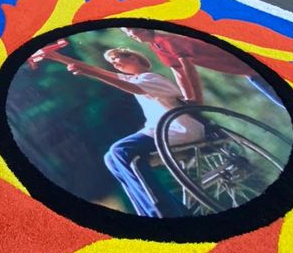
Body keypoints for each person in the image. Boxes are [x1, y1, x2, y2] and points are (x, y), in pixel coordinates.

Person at [67, 48, 204, 218]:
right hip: (160, 130)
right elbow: (98, 71)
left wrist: (90, 73)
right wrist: (53, 55)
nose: (114, 64)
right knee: (110, 159)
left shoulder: (151, 78)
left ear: (133, 57)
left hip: (179, 128)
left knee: (120, 151)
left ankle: (162, 213)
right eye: (112, 63)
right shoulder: (137, 79)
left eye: (116, 58)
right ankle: (163, 212)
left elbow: (134, 88)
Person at [121, 28, 284, 107]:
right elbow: (178, 72)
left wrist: (196, 100)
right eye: (130, 35)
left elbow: (189, 70)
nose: (134, 36)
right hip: (249, 73)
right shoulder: (157, 47)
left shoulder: (168, 41)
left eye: (135, 32)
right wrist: (187, 97)